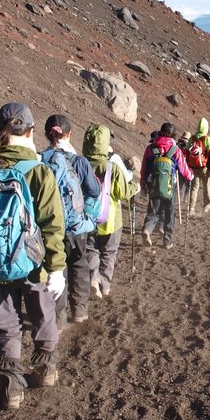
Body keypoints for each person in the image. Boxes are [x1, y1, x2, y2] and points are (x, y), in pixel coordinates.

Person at [0, 102, 66, 410]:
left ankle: (12, 389)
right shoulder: (39, 172)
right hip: (33, 264)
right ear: (31, 132)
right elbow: (52, 225)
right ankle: (45, 370)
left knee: (5, 322)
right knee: (42, 315)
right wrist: (57, 268)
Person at [41, 114, 100, 327]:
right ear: (69, 134)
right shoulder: (79, 161)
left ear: (47, 134)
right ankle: (80, 311)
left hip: (49, 228)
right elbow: (94, 190)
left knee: (56, 270)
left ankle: (58, 318)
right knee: (78, 265)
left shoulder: (39, 160)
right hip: (76, 227)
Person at [83, 123, 139, 298]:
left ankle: (93, 277)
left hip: (87, 217)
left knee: (91, 249)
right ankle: (105, 285)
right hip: (111, 219)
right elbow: (122, 193)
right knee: (109, 253)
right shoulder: (112, 167)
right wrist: (134, 187)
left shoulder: (80, 164)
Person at [141, 122, 193, 248]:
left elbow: (144, 169)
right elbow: (183, 169)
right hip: (171, 186)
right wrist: (190, 176)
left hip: (154, 184)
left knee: (153, 210)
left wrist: (143, 185)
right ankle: (167, 241)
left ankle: (147, 229)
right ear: (173, 134)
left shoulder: (150, 148)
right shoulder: (175, 150)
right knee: (170, 212)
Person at [185, 117, 210, 216]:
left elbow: (186, 151)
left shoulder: (192, 138)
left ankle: (191, 208)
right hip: (205, 167)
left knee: (194, 188)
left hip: (193, 167)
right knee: (207, 186)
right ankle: (207, 205)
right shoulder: (208, 139)